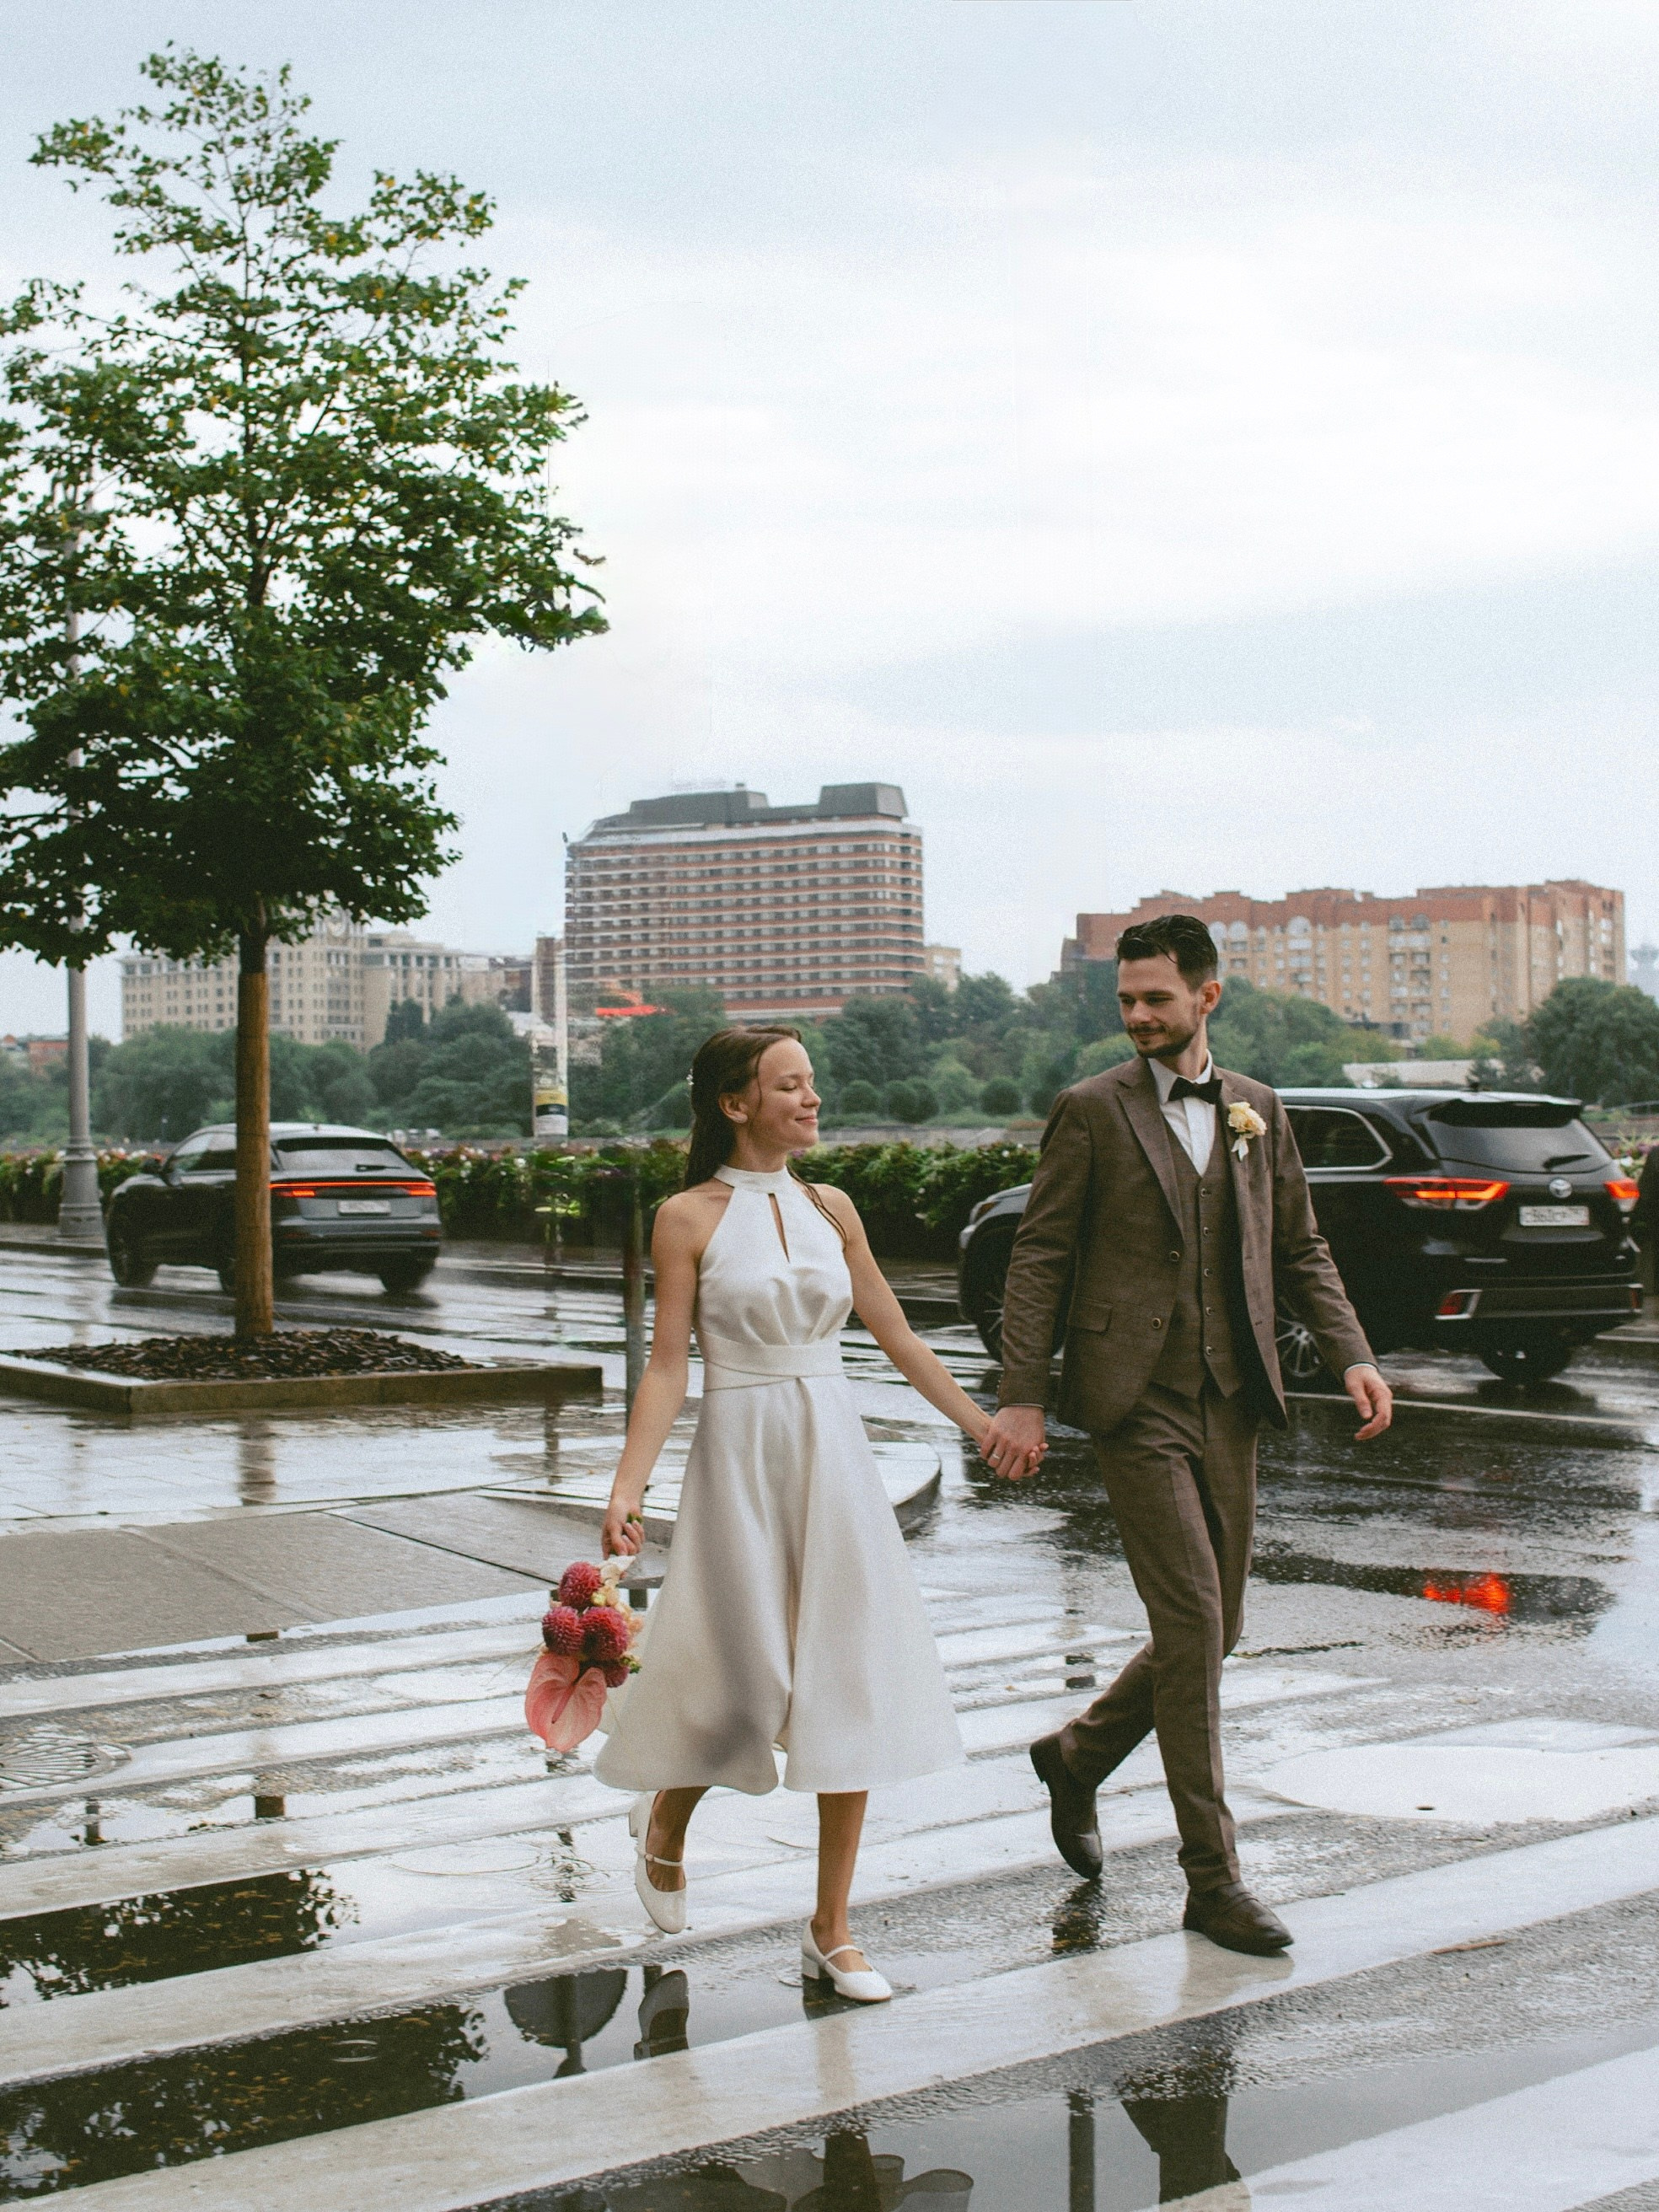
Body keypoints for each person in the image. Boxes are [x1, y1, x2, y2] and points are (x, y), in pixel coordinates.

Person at [979, 913, 1393, 1957]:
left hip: (1233, 1396)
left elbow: (1300, 1244)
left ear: (1209, 995)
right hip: (1135, 1401)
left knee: (1218, 1628)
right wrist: (1021, 1393)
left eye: (1156, 999)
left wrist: (1352, 1352)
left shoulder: (1257, 1108)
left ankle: (1078, 1754)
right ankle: (1213, 1879)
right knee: (1197, 1622)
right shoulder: (1090, 1111)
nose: (1137, 1018)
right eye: (1126, 1001)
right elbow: (1038, 1256)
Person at [596, 1025, 1033, 2001]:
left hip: (834, 1450)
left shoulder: (833, 1207)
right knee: (742, 1676)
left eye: (812, 1083)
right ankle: (667, 1816)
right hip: (741, 1452)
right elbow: (669, 1364)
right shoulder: (686, 1216)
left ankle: (832, 1928)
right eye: (789, 1085)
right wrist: (629, 1485)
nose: (813, 1098)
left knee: (846, 1679)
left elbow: (898, 1335)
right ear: (735, 1103)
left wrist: (983, 1420)